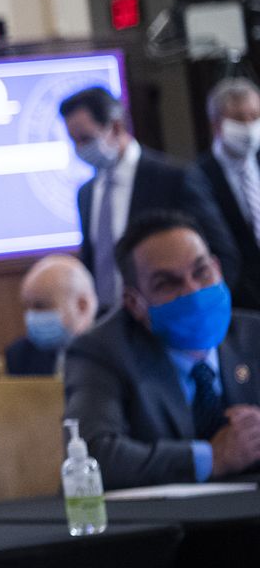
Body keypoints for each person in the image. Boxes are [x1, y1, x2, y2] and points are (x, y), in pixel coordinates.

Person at [63, 212, 260, 488]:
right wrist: (211, 458)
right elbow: (93, 454)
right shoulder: (101, 351)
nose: (192, 291)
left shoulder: (254, 334)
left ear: (217, 268)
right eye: (167, 283)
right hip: (162, 515)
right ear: (134, 302)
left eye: (201, 272)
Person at [60, 86, 239, 312]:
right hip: (109, 322)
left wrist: (200, 312)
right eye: (74, 141)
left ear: (116, 126)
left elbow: (223, 254)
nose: (80, 149)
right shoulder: (86, 194)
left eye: (86, 139)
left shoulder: (173, 178)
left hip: (171, 317)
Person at [192, 77, 260, 311]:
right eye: (239, 118)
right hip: (238, 298)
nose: (249, 126)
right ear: (216, 124)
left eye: (255, 116)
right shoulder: (198, 176)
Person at [1, 255, 97, 376]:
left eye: (40, 306)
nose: (32, 316)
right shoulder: (20, 356)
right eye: (27, 307)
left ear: (81, 306)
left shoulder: (115, 349)